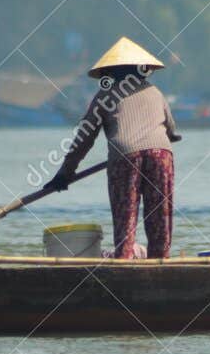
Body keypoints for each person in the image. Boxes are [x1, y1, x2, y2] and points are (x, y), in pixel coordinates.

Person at [49, 36, 182, 259]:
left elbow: (84, 138)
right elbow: (171, 131)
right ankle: (161, 262)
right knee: (160, 217)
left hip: (125, 155)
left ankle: (124, 259)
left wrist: (64, 173)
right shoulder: (156, 93)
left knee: (126, 218)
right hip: (161, 154)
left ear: (110, 74)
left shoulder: (104, 96)